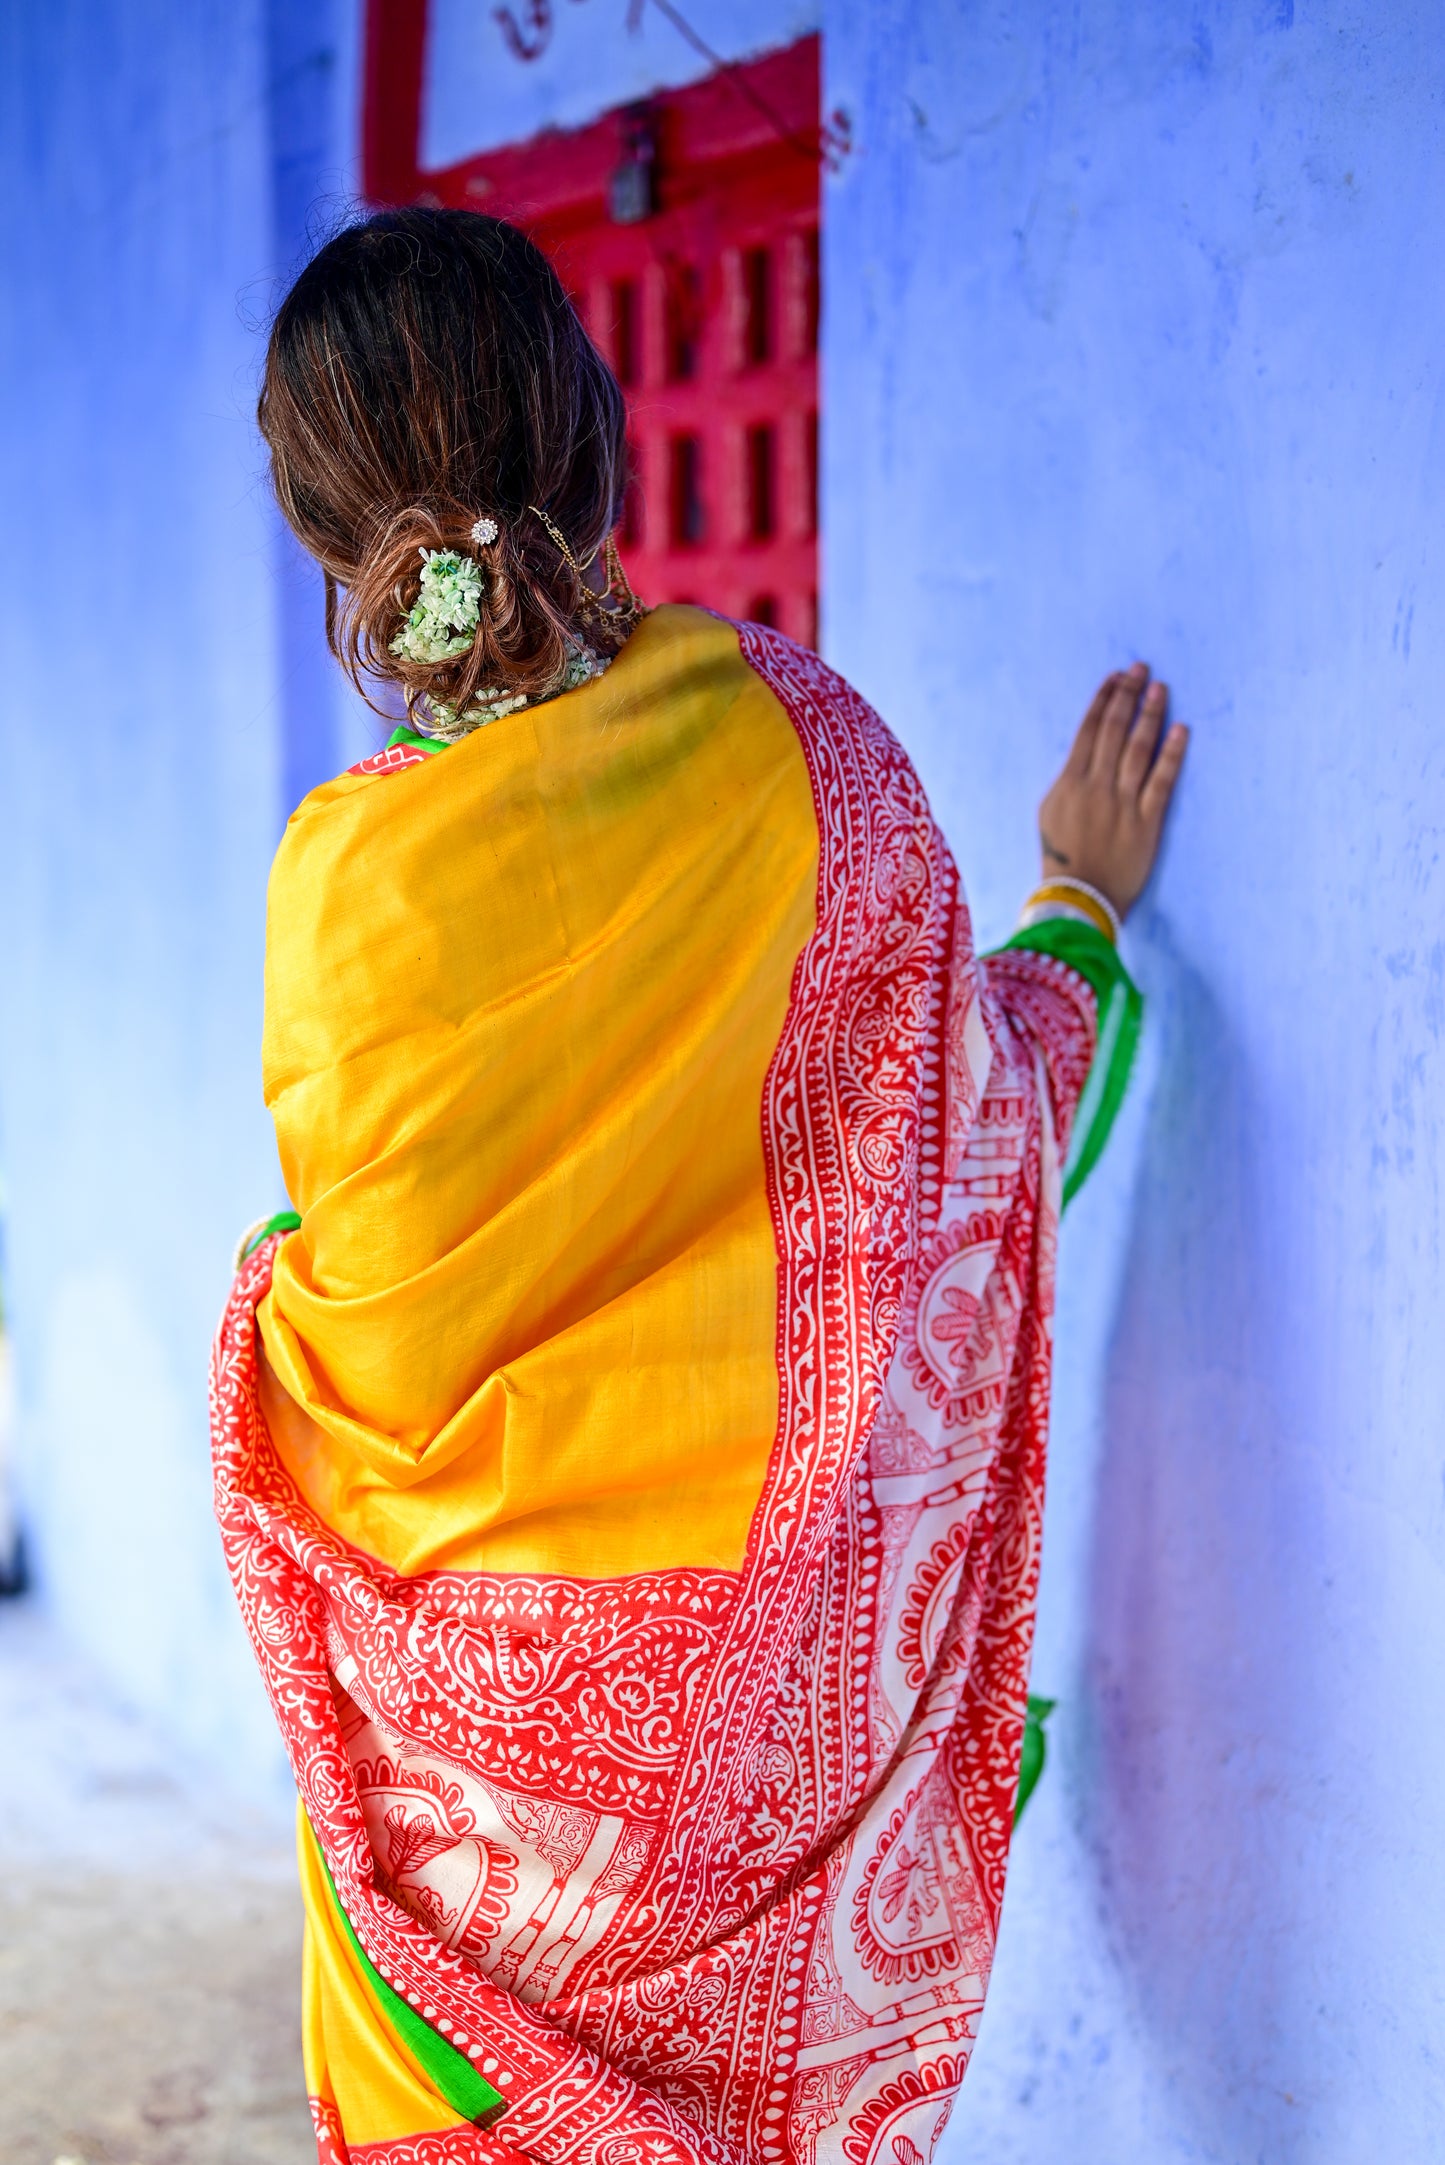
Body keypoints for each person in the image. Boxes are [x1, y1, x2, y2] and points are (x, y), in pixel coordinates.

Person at [213, 208, 1186, 2165]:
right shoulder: (807, 757)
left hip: (475, 1815)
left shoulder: (339, 889)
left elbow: (355, 1302)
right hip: (773, 1790)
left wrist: (266, 1288)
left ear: (337, 549)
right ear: (599, 440)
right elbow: (967, 1145)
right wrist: (1078, 904)